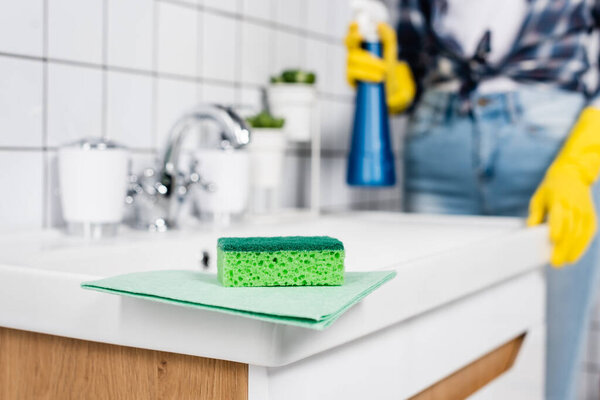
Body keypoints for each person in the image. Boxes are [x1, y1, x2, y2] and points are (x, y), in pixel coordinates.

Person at [345, 1, 600, 399]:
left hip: (556, 149)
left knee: (550, 343)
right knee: (429, 357)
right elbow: (414, 58)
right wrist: (394, 77)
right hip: (437, 144)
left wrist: (585, 153)